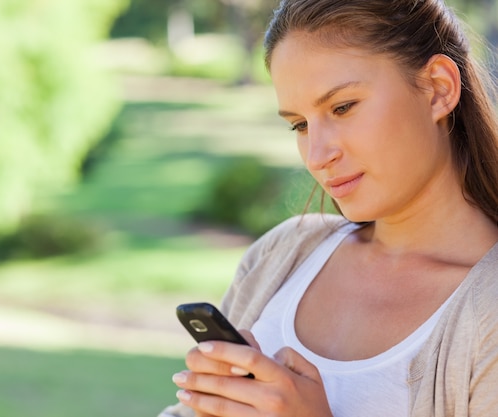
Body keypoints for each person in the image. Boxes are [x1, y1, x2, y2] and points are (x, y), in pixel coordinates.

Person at [158, 0, 498, 416]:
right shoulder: (281, 255)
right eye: (300, 125)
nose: (317, 155)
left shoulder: (488, 314)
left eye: (342, 107)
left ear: (438, 88)